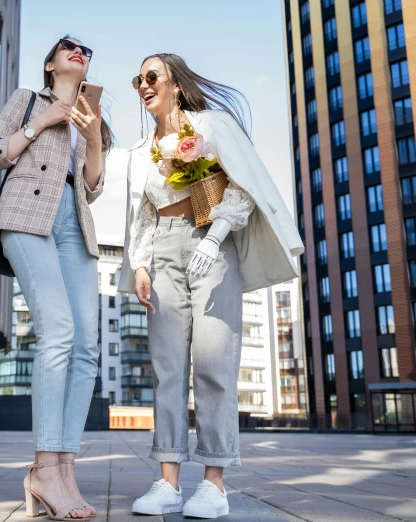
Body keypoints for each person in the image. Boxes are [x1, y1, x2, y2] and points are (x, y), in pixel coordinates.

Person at [119, 53, 304, 519]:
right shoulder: (142, 150)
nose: (143, 85)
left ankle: (214, 484)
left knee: (214, 364)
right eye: (137, 79)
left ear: (175, 84)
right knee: (166, 368)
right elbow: (142, 213)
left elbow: (243, 187)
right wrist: (140, 265)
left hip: (210, 247)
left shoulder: (212, 126)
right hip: (162, 252)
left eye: (151, 76)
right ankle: (166, 481)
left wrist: (216, 236)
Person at [0, 36, 113, 521]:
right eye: (68, 47)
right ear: (50, 62)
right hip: (27, 214)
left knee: (87, 348)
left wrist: (94, 136)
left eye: (86, 50)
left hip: (75, 226)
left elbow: (94, 188)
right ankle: (42, 467)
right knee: (57, 330)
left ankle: (63, 470)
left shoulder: (92, 115)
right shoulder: (26, 99)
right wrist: (42, 122)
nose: (80, 51)